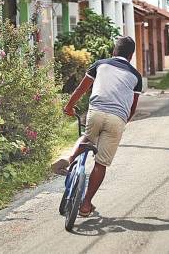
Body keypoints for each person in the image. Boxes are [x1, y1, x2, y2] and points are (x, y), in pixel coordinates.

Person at [54, 36, 142, 217]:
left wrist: (69, 107)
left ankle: (70, 159)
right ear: (131, 56)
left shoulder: (100, 64)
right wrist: (123, 122)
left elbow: (81, 88)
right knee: (101, 164)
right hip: (117, 119)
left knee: (86, 137)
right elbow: (132, 107)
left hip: (96, 113)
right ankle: (86, 204)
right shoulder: (136, 76)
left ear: (113, 52)